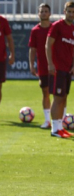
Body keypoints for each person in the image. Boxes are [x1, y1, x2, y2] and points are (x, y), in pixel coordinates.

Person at [46, 1, 74, 138]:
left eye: (73, 12)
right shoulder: (57, 26)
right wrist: (50, 64)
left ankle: (60, 127)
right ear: (64, 12)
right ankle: (55, 129)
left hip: (68, 69)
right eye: (69, 11)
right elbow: (48, 44)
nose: (71, 14)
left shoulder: (73, 28)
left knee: (63, 97)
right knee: (57, 98)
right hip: (58, 68)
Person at [28, 3, 53, 129]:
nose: (43, 13)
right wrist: (32, 65)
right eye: (41, 11)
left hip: (57, 65)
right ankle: (48, 120)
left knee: (60, 94)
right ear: (38, 14)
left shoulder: (55, 28)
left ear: (50, 13)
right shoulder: (35, 31)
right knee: (45, 92)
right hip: (43, 66)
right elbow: (32, 49)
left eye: (46, 11)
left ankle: (60, 119)